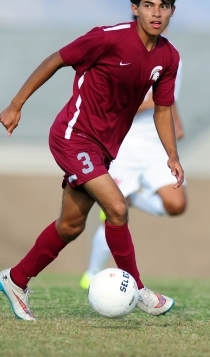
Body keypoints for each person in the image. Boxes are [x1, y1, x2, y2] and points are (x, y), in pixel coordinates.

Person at [0, 0, 183, 321]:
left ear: (172, 11)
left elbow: (162, 109)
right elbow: (55, 60)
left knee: (70, 226)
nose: (156, 13)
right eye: (148, 5)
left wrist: (172, 155)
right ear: (134, 8)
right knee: (116, 207)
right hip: (73, 136)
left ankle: (16, 280)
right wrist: (16, 104)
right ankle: (139, 290)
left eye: (164, 6)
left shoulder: (168, 58)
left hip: (102, 150)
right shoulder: (108, 39)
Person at [79, 57, 188, 290]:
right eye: (150, 16)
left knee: (176, 205)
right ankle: (91, 273)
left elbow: (169, 96)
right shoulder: (121, 55)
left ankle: (134, 198)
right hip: (124, 147)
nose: (157, 18)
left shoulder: (171, 55)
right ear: (137, 17)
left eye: (163, 16)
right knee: (114, 214)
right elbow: (113, 106)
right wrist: (152, 103)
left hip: (156, 146)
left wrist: (176, 120)